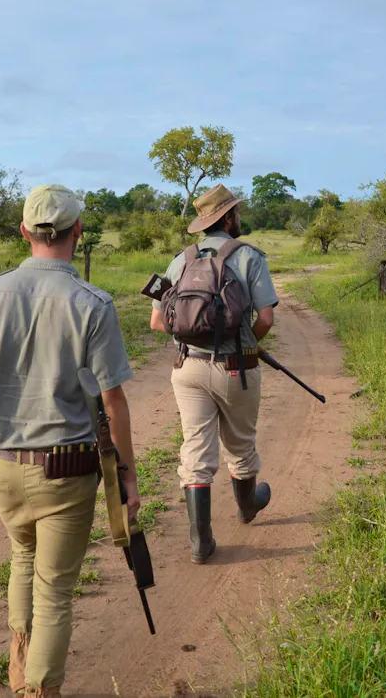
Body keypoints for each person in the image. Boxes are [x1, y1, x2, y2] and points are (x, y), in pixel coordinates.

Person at [0, 184, 139, 698]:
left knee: (22, 557)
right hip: (65, 471)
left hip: (0, 464)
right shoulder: (93, 303)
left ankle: (20, 668)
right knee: (54, 589)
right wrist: (127, 477)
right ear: (78, 231)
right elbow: (113, 400)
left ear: (24, 232)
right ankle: (38, 690)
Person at [149, 183, 279, 564]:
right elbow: (266, 318)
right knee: (240, 444)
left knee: (195, 449)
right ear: (228, 218)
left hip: (187, 368)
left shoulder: (181, 260)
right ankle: (247, 507)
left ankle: (201, 542)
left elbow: (157, 322)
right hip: (236, 368)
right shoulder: (249, 257)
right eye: (236, 211)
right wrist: (248, 343)